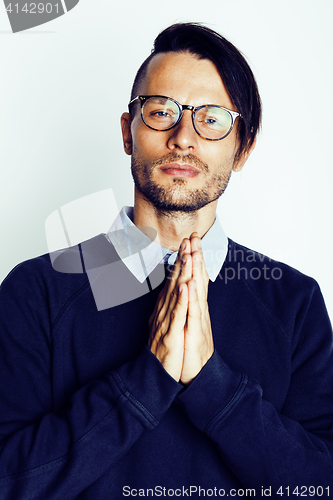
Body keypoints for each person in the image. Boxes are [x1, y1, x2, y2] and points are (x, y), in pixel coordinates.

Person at [0, 22, 332, 499]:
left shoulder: (294, 302)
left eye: (212, 119)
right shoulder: (36, 290)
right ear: (127, 133)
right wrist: (146, 381)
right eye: (161, 112)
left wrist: (212, 384)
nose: (183, 137)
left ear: (243, 148)